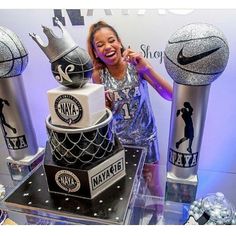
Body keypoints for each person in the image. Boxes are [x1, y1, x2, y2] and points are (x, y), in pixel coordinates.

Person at [87, 21, 172, 188]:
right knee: (127, 191)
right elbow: (105, 114)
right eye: (100, 45)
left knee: (154, 188)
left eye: (111, 40)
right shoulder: (98, 75)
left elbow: (170, 95)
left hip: (146, 140)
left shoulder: (136, 66)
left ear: (119, 42)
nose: (108, 46)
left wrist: (147, 69)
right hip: (118, 144)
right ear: (96, 53)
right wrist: (106, 106)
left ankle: (157, 214)